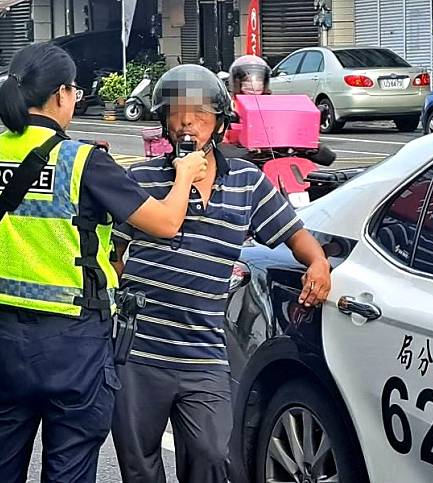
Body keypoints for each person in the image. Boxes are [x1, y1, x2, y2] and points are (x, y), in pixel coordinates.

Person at [0, 43, 208, 483]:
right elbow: (164, 222)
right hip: (75, 344)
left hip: (1, 340)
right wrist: (183, 175)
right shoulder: (85, 162)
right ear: (62, 95)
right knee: (69, 470)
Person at [111, 64, 332, 483]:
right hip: (140, 354)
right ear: (163, 120)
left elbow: (297, 237)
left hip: (205, 353)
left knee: (213, 455)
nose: (186, 122)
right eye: (176, 113)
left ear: (219, 121)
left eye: (198, 113)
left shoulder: (247, 182)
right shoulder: (140, 178)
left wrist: (318, 264)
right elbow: (113, 253)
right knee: (138, 463)